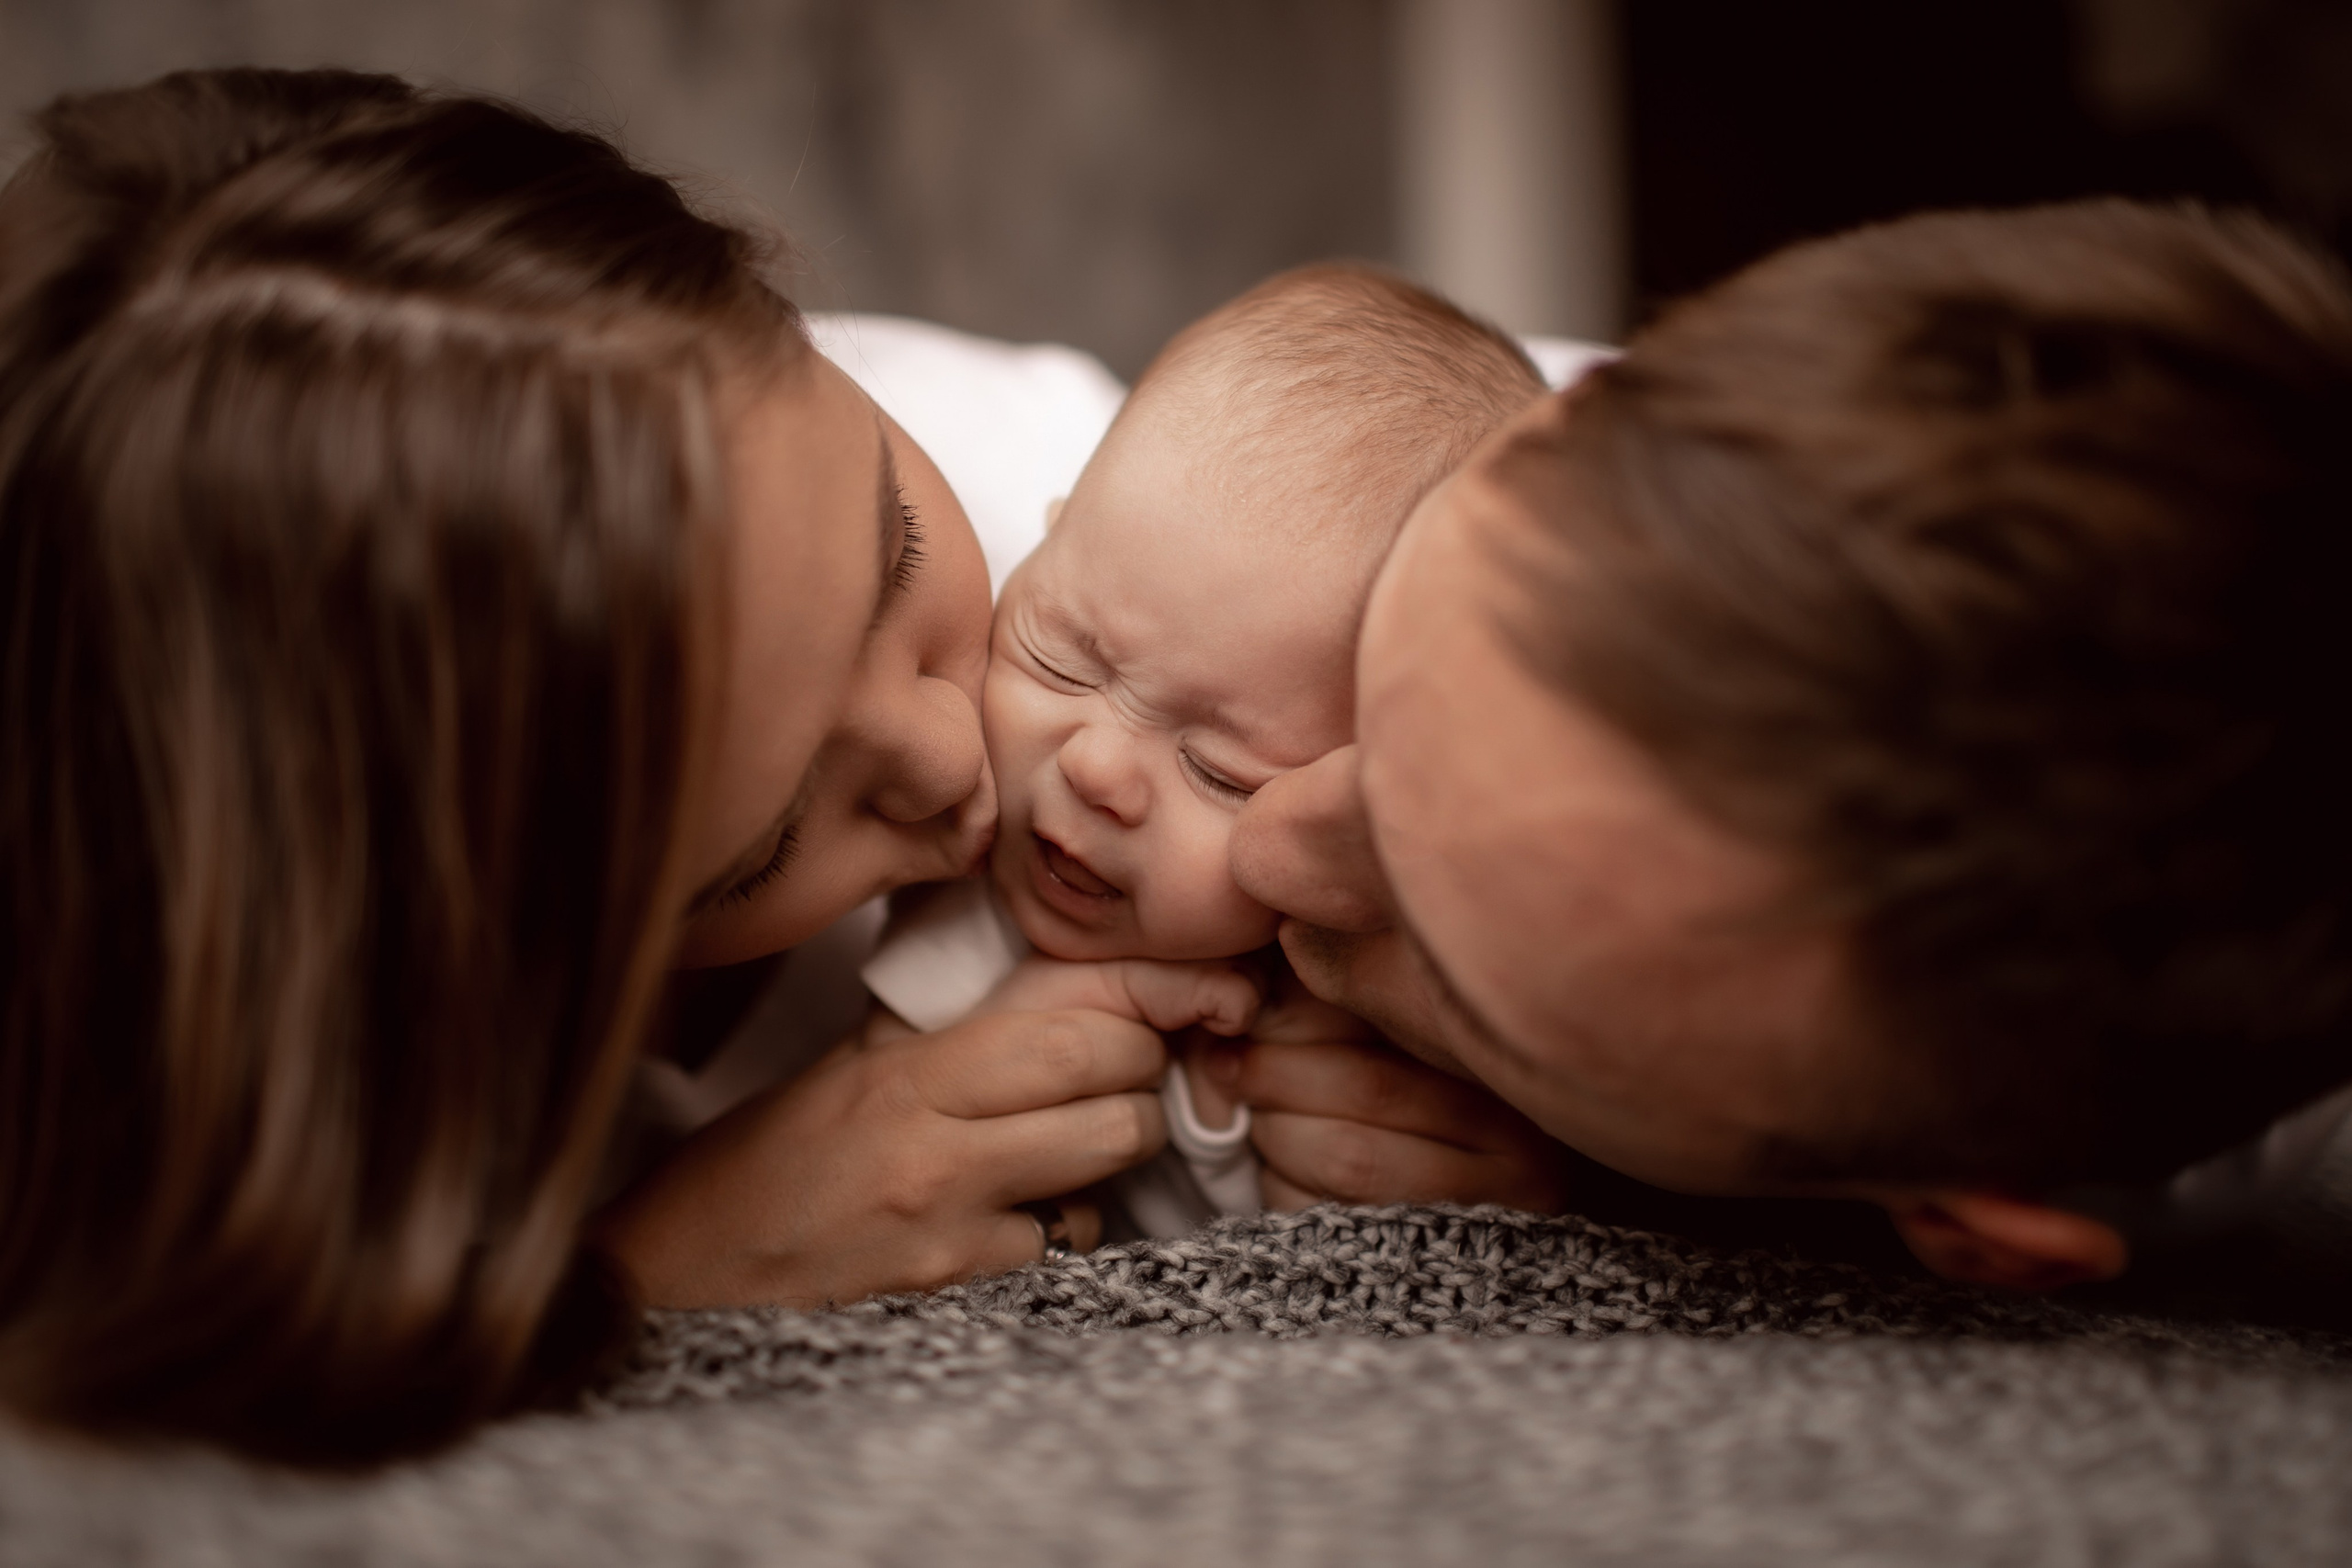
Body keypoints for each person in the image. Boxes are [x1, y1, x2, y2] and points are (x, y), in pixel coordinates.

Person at [0, 67, 1166, 1463]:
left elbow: (1504, 523)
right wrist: (638, 1275)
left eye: (898, 549)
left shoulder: (1100, 508)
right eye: (769, 843)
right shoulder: (194, 1078)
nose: (953, 748)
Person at [1229, 200, 2352, 1291]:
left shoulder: (2094, 1111)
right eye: (1371, 671)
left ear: (1972, 1233)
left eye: (1463, 988)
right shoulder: (1626, 463)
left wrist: (1608, 1196)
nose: (1263, 842)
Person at [858, 263, 1570, 1236]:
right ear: (1042, 544)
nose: (1095, 772)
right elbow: (883, 1117)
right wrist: (1007, 1039)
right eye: (1061, 660)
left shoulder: (1414, 960)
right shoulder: (969, 890)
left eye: (1219, 772)